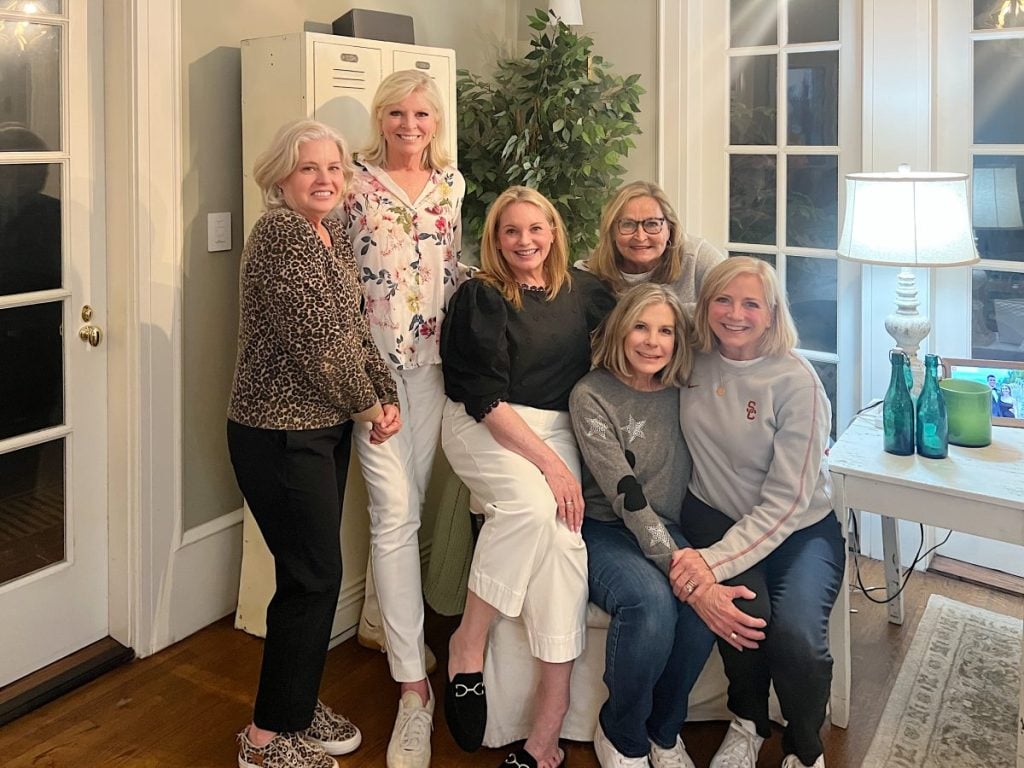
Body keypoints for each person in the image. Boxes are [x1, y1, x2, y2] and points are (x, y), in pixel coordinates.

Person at [227, 119, 401, 768]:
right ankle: (266, 740)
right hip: (277, 434)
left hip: (318, 428)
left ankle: (295, 709)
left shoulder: (324, 235)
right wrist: (367, 406)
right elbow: (318, 345)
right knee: (313, 577)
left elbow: (353, 329)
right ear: (281, 177)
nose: (326, 178)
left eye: (334, 167)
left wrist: (380, 392)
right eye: (309, 169)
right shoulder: (279, 235)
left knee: (310, 576)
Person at [440, 186, 615, 768]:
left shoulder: (584, 290)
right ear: (494, 239)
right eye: (510, 231)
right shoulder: (481, 296)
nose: (524, 241)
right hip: (486, 422)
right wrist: (552, 466)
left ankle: (547, 732)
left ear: (554, 232)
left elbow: (647, 325)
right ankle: (467, 645)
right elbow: (483, 397)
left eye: (535, 229)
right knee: (533, 508)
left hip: (558, 425)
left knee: (566, 540)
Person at [569, 283, 765, 768]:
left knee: (701, 606)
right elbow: (626, 495)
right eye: (641, 326)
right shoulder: (591, 394)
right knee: (654, 602)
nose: (652, 341)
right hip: (608, 528)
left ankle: (664, 730)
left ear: (680, 340)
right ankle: (622, 734)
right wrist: (683, 569)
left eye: (665, 331)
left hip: (672, 527)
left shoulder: (687, 389)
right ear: (621, 329)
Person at [671, 257, 845, 768]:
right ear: (705, 308)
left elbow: (787, 501)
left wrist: (711, 564)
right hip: (716, 512)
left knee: (797, 638)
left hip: (800, 529)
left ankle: (805, 749)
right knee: (745, 615)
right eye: (723, 300)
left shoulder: (797, 382)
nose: (735, 314)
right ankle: (748, 722)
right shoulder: (691, 360)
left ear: (771, 314)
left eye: (751, 303)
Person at [340, 68, 465, 768]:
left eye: (421, 113)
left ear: (435, 121)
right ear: (380, 119)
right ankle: (413, 690)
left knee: (411, 514)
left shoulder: (452, 185)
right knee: (393, 516)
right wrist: (363, 386)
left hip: (435, 373)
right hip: (376, 379)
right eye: (396, 112)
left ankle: (395, 635)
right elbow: (339, 282)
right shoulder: (354, 185)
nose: (409, 125)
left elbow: (450, 270)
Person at [576, 180, 724, 307]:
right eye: (628, 224)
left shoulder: (698, 258)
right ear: (612, 231)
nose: (640, 237)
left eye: (652, 224)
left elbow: (734, 308)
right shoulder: (589, 274)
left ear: (669, 228)